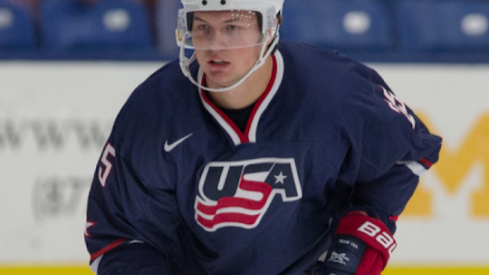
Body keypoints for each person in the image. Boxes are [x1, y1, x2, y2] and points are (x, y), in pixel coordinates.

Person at [84, 0, 442, 274]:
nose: (214, 46)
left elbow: (409, 152)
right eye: (203, 28)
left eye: (233, 28)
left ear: (271, 27)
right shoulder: (154, 112)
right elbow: (115, 235)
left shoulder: (336, 92)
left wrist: (359, 238)